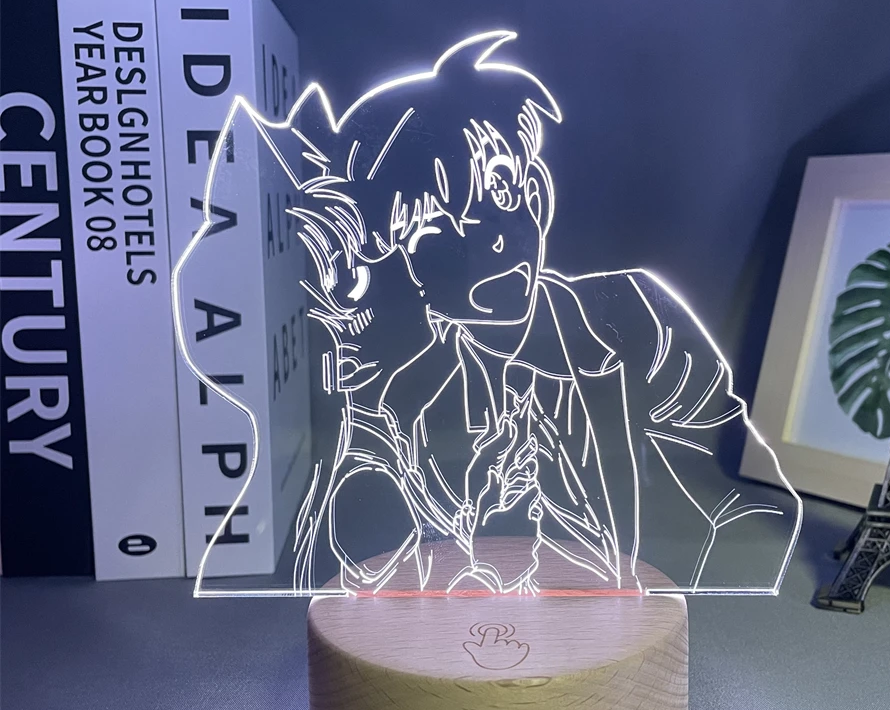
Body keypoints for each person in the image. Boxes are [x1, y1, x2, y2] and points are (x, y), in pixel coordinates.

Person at [254, 32, 801, 594]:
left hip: (634, 621)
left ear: (537, 195)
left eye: (501, 190)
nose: (489, 238)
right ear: (400, 259)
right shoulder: (399, 396)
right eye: (436, 226)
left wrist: (649, 608)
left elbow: (750, 507)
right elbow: (366, 571)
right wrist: (482, 530)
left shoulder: (635, 318)